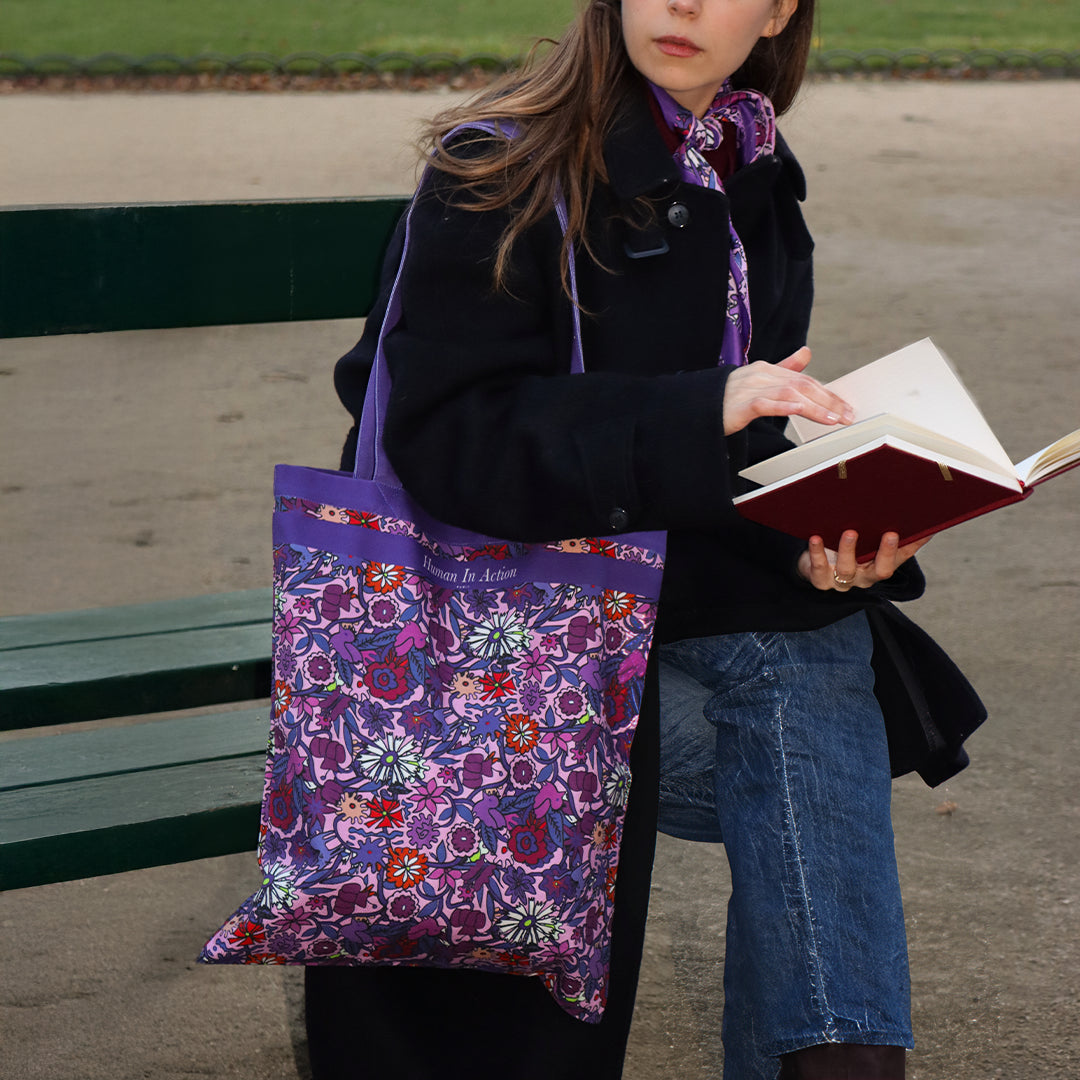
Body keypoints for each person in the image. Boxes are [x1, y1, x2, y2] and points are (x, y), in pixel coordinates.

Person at [312, 1, 983, 1077]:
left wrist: (814, 547)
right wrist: (697, 408)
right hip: (499, 649)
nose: (682, 4)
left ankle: (839, 1063)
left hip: (657, 628)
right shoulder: (500, 169)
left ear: (779, 10)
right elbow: (441, 440)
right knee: (810, 701)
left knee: (813, 651)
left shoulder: (748, 169)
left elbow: (728, 458)